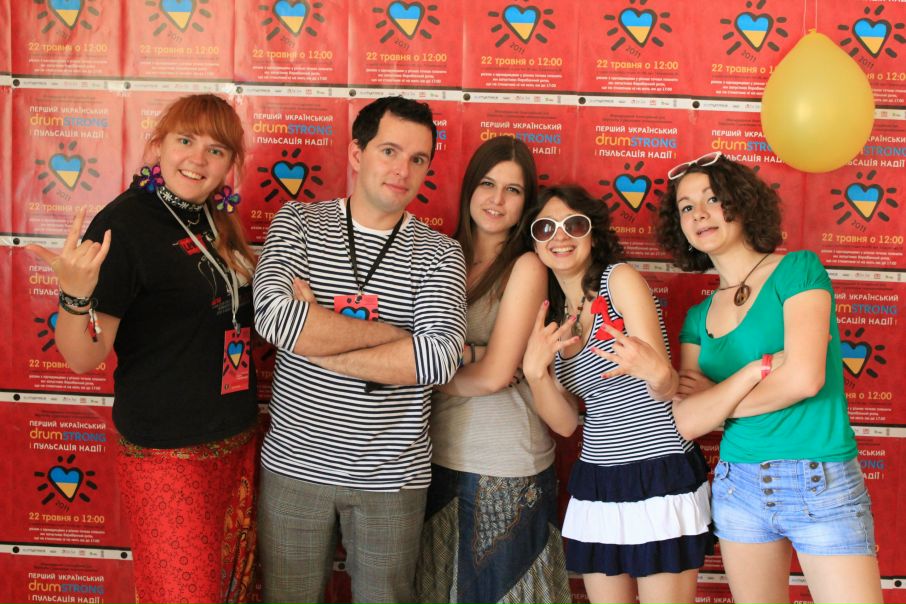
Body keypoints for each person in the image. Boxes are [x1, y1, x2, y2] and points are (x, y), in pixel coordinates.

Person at [27, 94, 261, 603]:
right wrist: (73, 297)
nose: (197, 159)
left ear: (230, 162)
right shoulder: (124, 225)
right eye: (185, 140)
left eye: (216, 149)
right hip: (167, 455)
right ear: (159, 145)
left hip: (236, 441)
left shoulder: (214, 216)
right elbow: (83, 357)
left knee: (232, 593)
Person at [252, 96, 467, 604]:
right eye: (389, 151)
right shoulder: (298, 223)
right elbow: (274, 317)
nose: (402, 170)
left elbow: (438, 358)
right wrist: (398, 337)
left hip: (393, 478)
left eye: (417, 159)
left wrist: (316, 341)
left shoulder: (440, 252)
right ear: (356, 153)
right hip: (294, 468)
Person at [655, 152, 883, 604]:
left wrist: (719, 401)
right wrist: (753, 372)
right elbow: (687, 422)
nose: (699, 213)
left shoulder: (798, 270)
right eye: (686, 207)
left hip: (821, 479)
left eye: (712, 198)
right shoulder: (698, 317)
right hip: (738, 486)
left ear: (741, 203)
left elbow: (803, 380)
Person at [522, 185, 712, 604]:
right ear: (534, 244)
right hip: (598, 479)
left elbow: (665, 386)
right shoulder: (556, 314)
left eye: (574, 225)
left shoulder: (618, 280)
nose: (560, 236)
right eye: (545, 227)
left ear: (593, 235)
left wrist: (654, 371)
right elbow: (566, 424)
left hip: (658, 470)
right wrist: (535, 375)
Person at [416, 136, 571, 604]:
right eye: (487, 184)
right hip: (433, 458)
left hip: (504, 467)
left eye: (513, 190)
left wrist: (413, 373)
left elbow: (496, 375)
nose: (497, 200)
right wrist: (468, 353)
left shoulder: (526, 266)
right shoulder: (440, 255)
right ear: (469, 188)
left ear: (526, 203)